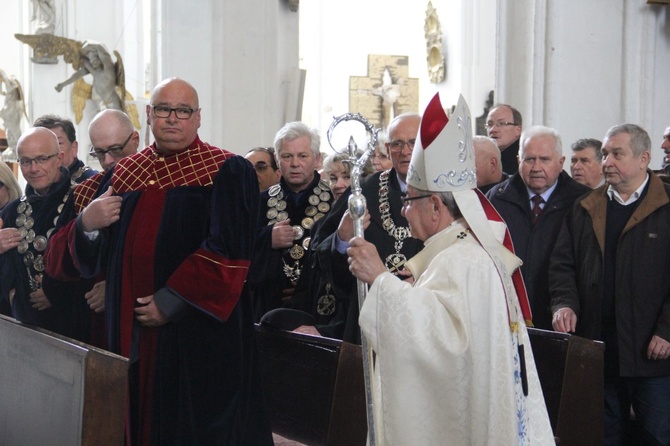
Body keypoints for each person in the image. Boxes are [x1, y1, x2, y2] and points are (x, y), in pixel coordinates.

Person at [70, 78, 272, 445]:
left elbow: (229, 248)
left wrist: (171, 301)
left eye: (183, 111)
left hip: (197, 333)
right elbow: (95, 248)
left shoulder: (226, 170)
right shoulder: (124, 173)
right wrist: (87, 225)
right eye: (163, 109)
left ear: (198, 118)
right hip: (130, 331)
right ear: (149, 116)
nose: (173, 119)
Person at [347, 93, 554, 444]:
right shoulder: (455, 253)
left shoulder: (463, 260)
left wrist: (380, 280)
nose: (402, 211)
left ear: (432, 206)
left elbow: (446, 345)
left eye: (407, 202)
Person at [550, 123, 670, 445]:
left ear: (644, 158)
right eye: (605, 154)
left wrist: (667, 330)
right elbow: (563, 265)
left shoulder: (666, 205)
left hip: (652, 352)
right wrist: (564, 303)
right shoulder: (586, 207)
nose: (607, 162)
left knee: (655, 435)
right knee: (602, 434)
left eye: (617, 154)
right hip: (599, 345)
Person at [296, 113, 425, 343]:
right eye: (397, 144)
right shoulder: (364, 189)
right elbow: (320, 252)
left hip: (422, 311)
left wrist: (424, 274)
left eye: (414, 142)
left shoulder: (447, 192)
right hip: (367, 314)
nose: (405, 151)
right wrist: (341, 239)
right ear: (387, 147)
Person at [42, 109, 139, 348]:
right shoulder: (87, 191)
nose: (107, 161)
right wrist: (85, 223)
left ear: (135, 140)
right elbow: (53, 259)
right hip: (94, 326)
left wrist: (116, 287)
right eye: (99, 152)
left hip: (147, 321)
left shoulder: (160, 183)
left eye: (116, 150)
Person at [487, 126, 590, 330]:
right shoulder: (496, 199)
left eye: (544, 159)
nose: (536, 167)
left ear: (561, 163)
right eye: (529, 159)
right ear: (518, 161)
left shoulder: (583, 202)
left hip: (562, 319)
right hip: (505, 317)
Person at [0, 127, 92, 342]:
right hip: (24, 329)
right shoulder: (12, 211)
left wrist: (56, 291)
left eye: (42, 159)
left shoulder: (83, 199)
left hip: (76, 325)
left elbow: (96, 264)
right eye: (25, 161)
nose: (33, 168)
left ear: (59, 158)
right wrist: (13, 296)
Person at [248, 121, 332, 320]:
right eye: (287, 156)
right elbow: (237, 252)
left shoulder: (334, 202)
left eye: (302, 156)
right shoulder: (259, 202)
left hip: (317, 310)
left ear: (317, 159)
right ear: (277, 159)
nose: (295, 163)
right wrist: (267, 238)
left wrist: (304, 290)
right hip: (266, 308)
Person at [55, 42, 124, 111]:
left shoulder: (108, 70)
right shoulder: (94, 72)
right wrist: (63, 84)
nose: (92, 62)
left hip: (114, 104)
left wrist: (91, 47)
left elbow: (103, 53)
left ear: (100, 58)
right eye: (91, 60)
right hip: (104, 105)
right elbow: (77, 75)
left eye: (95, 59)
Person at [33, 114, 97, 184]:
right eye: (42, 145)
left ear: (74, 148)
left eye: (57, 143)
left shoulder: (93, 182)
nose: (47, 151)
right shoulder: (37, 183)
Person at [486, 103, 523, 175]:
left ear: (518, 130)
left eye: (501, 123)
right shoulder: (483, 158)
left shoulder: (524, 159)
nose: (493, 130)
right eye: (490, 124)